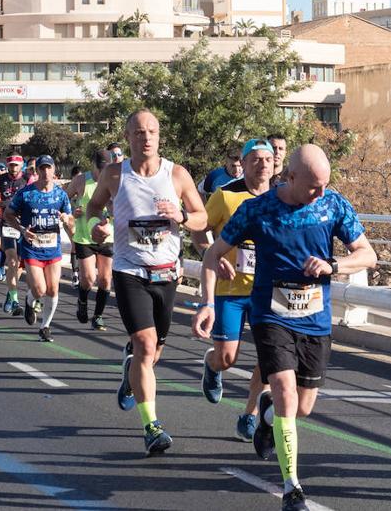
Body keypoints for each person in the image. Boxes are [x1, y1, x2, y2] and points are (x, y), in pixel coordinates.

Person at [200, 145, 376, 511]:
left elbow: (367, 253)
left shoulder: (333, 205)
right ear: (290, 177)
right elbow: (213, 251)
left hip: (315, 319)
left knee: (305, 406)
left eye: (326, 185)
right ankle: (292, 485)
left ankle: (266, 415)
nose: (321, 193)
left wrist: (333, 265)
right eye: (314, 186)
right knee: (283, 389)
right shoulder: (257, 209)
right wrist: (215, 277)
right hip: (271, 314)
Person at [86, 109, 208, 456]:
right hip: (130, 271)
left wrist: (182, 216)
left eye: (152, 131)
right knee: (144, 341)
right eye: (139, 132)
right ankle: (151, 426)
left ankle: (131, 374)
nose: (147, 138)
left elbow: (201, 218)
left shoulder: (178, 174)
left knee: (154, 352)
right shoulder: (114, 175)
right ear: (128, 138)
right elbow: (93, 209)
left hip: (167, 273)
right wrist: (99, 224)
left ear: (159, 135)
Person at [192, 137, 275, 442]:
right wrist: (211, 253)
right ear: (244, 162)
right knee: (227, 358)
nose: (262, 164)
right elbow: (198, 230)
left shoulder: (280, 198)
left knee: (269, 358)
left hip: (267, 290)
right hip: (230, 289)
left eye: (268, 159)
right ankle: (211, 365)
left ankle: (250, 414)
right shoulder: (225, 196)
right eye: (255, 159)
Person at [6, 155, 71, 342]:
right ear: (37, 171)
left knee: (53, 289)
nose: (45, 172)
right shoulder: (26, 194)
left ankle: (45, 327)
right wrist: (21, 229)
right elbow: (8, 214)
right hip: (32, 247)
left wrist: (68, 220)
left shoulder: (60, 194)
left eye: (48, 168)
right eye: (41, 168)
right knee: (40, 289)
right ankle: (29, 299)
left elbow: (69, 219)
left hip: (53, 248)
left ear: (54, 170)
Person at [65, 148, 116, 330]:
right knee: (88, 278)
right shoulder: (81, 181)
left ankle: (98, 316)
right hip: (84, 237)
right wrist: (73, 210)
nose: (102, 172)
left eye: (106, 168)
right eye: (100, 168)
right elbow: (64, 198)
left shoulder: (114, 180)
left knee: (105, 279)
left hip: (107, 236)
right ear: (93, 165)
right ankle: (83, 300)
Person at [0, 155, 28, 314]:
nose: (13, 168)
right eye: (11, 165)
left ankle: (9, 292)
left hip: (25, 225)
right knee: (12, 261)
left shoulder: (28, 179)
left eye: (16, 165)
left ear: (21, 166)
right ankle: (14, 300)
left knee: (20, 263)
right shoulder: (1, 179)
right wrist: (3, 204)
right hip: (7, 224)